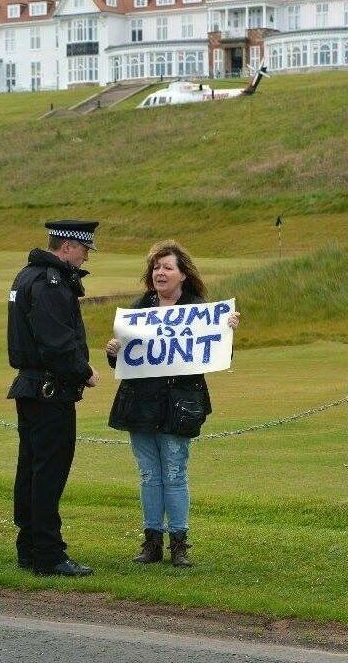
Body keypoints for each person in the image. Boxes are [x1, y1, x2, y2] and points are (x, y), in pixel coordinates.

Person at [106, 240, 239, 567]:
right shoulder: (139, 310)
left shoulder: (200, 311)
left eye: (167, 267)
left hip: (179, 406)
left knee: (175, 473)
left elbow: (217, 355)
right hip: (140, 405)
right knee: (149, 475)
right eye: (156, 267)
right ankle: (151, 542)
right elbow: (125, 362)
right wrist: (113, 351)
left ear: (183, 274)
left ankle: (179, 543)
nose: (160, 273)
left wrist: (227, 333)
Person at [7, 219, 100, 577]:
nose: (85, 256)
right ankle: (48, 553)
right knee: (49, 471)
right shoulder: (51, 282)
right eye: (84, 249)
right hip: (50, 390)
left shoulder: (25, 276)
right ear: (68, 246)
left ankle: (29, 546)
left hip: (31, 387)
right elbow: (56, 341)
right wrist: (84, 372)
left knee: (31, 467)